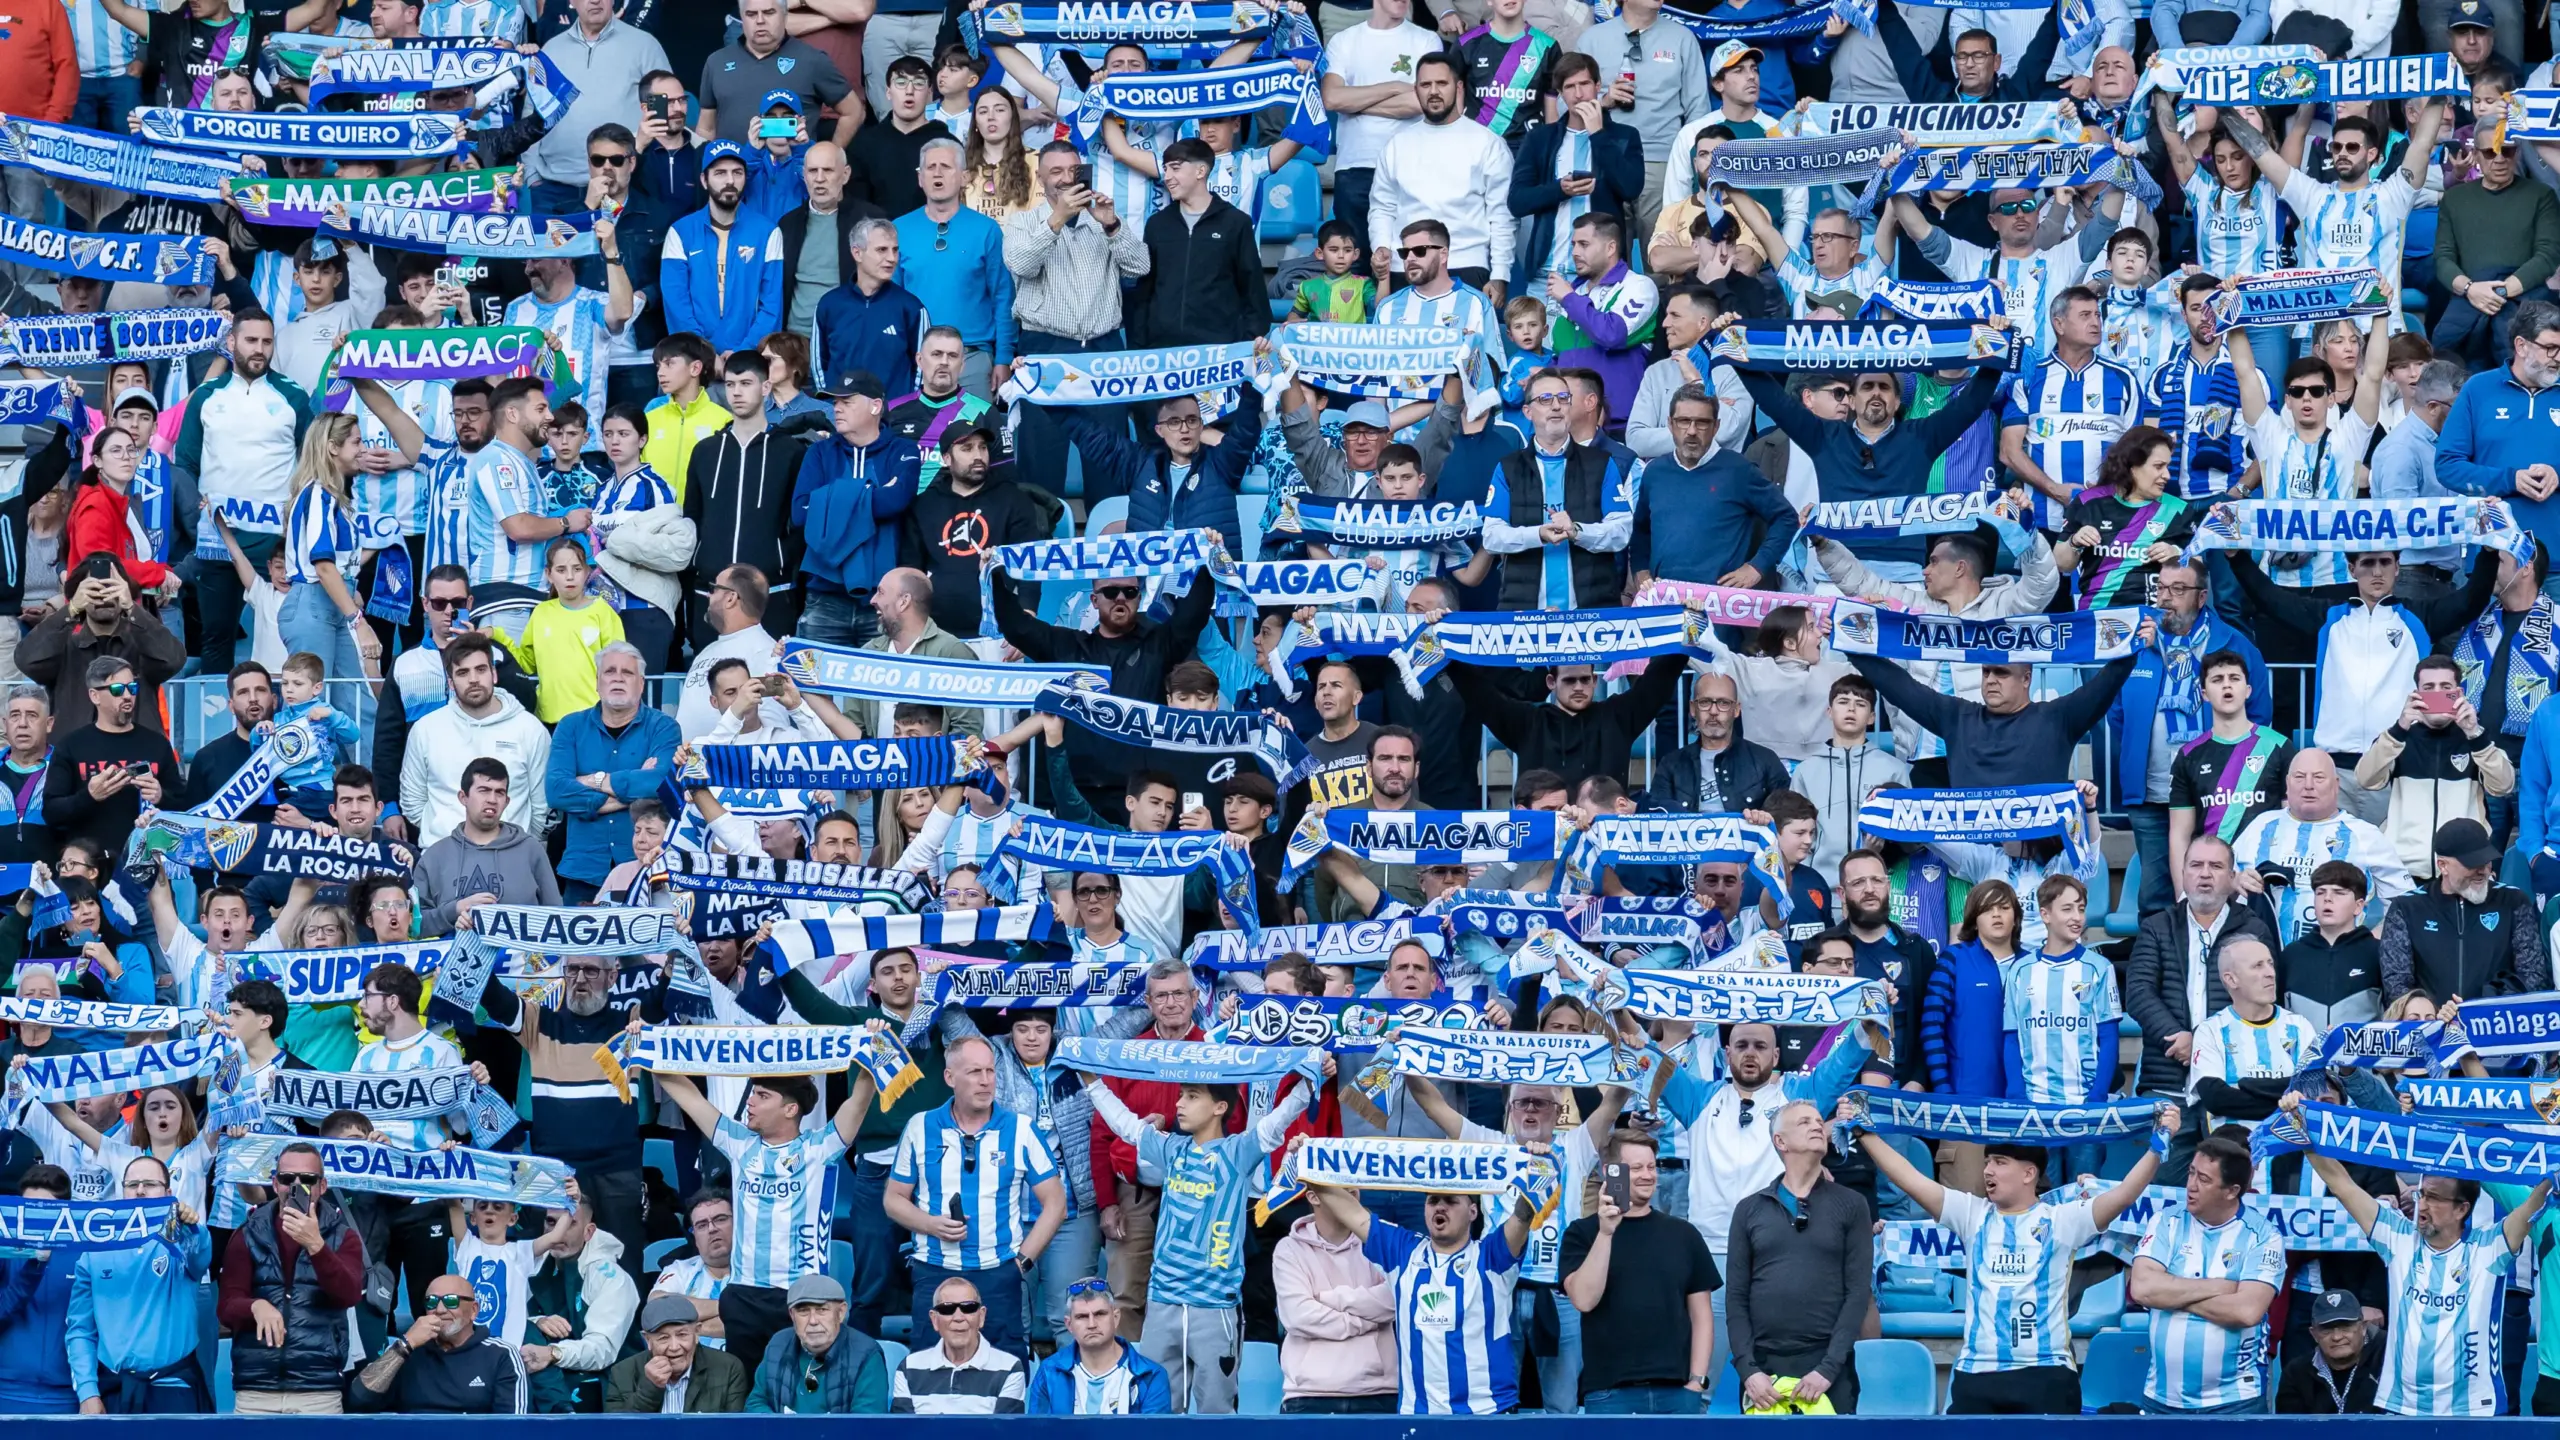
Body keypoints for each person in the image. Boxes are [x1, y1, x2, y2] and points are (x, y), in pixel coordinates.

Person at [1852, 1102, 2181, 1414]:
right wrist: (1864, 1133)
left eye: (1999, 1162)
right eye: (1987, 1162)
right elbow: (1910, 1179)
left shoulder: (2062, 1220)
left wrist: (2157, 1147)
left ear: (2028, 1173)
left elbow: (2124, 1195)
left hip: (2045, 1374)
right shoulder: (1971, 1214)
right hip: (1977, 1375)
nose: (1988, 1170)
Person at [2278, 1090, 2550, 1417]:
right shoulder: (2398, 1237)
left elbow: (2536, 1202)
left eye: (2434, 1198)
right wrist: (2304, 1129)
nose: (2423, 1205)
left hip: (2472, 1409)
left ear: (2462, 1209)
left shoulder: (2490, 1247)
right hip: (2404, 1407)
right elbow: (2342, 1185)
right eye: (2421, 1195)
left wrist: (2552, 1172)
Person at [1080, 1062, 1312, 1412]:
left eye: (1191, 1096)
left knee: (1216, 1416)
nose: (1178, 1104)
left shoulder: (1239, 1151)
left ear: (1220, 1107)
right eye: (1180, 1095)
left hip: (1216, 1306)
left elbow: (1281, 1117)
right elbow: (1125, 1124)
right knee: (1155, 1413)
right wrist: (1091, 1081)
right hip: (1163, 1303)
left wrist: (1310, 1080)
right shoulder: (1171, 1148)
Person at [884, 1034, 1066, 1360]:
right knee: (930, 1370)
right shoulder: (920, 1127)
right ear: (949, 1077)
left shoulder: (1021, 1129)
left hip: (999, 1273)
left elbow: (1056, 1203)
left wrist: (1022, 1263)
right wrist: (931, 1225)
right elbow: (893, 1199)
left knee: (1006, 1372)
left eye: (990, 1071)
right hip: (934, 1270)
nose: (985, 1081)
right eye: (974, 1072)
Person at [1304, 1166, 1534, 1416]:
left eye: (1450, 1200)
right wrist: (1307, 1164)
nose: (1440, 1207)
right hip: (1419, 1417)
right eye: (1432, 1200)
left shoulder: (1491, 1257)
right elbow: (1351, 1212)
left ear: (1472, 1211)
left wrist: (1537, 1169)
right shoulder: (1403, 1251)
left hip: (1488, 1414)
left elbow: (1522, 1217)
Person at [173, 310, 315, 672]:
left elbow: (312, 463)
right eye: (251, 340)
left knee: (288, 634)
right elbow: (185, 465)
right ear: (232, 342)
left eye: (267, 342)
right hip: (218, 539)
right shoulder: (205, 396)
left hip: (276, 539)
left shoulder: (294, 395)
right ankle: (218, 708)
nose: (260, 350)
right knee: (217, 637)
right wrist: (196, 516)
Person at [1723, 1099, 1871, 1415]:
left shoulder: (1852, 1204)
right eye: (1804, 1122)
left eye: (1818, 1121)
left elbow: (1858, 1292)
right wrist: (1748, 1370)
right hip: (1763, 1373)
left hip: (1828, 1369)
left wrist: (1828, 1369)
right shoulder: (1749, 1210)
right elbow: (1735, 1297)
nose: (1817, 1126)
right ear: (1781, 1141)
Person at [1559, 1127, 1720, 1412]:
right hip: (1609, 1394)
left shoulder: (1684, 1234)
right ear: (1610, 1173)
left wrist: (1697, 1381)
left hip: (1677, 1392)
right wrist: (1606, 1233)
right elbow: (1583, 1300)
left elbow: (1702, 1315)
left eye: (1651, 1166)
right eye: (1636, 1168)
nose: (1647, 1175)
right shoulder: (1581, 1233)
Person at [2126, 1133, 2286, 1414]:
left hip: (2235, 1402)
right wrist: (2220, 1287)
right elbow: (2141, 1289)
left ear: (2231, 1191)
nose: (2191, 1185)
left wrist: (2170, 1296)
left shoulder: (2264, 1236)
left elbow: (2245, 1311)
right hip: (2162, 1398)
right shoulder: (2165, 1221)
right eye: (2191, 1173)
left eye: (2204, 1179)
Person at [219, 1141, 367, 1414]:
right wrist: (255, 1306)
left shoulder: (343, 1236)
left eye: (308, 1179)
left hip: (317, 1388)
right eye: (288, 1179)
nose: (297, 1186)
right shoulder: (248, 1233)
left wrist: (316, 1246)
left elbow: (349, 1295)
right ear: (275, 1184)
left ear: (322, 1186)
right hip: (257, 1388)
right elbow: (226, 1307)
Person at [66, 1154, 211, 1414]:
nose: (140, 1191)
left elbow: (200, 1256)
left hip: (173, 1388)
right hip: (115, 1390)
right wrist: (87, 1392)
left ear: (168, 1193)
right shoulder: (95, 1250)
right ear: (122, 1192)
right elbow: (80, 1329)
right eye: (132, 1185)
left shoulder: (183, 1240)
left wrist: (191, 1226)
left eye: (150, 1184)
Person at [790, 370, 921, 649]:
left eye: (847, 402)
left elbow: (896, 501)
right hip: (825, 595)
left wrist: (829, 501)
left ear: (875, 406)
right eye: (835, 402)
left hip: (885, 599)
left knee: (881, 678)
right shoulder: (819, 452)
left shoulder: (903, 450)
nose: (836, 408)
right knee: (814, 675)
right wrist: (872, 494)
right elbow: (801, 513)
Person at [1368, 53, 1515, 297]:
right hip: (1405, 266)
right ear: (1416, 90)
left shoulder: (1488, 143)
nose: (1434, 91)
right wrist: (1381, 247)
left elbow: (1501, 214)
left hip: (1466, 264)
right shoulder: (1396, 144)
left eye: (1442, 83)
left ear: (1459, 88)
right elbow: (1382, 207)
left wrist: (1500, 273)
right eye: (1426, 84)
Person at [2233, 749, 2417, 942]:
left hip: (2337, 957)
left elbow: (2406, 903)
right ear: (2287, 783)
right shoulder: (2260, 825)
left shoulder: (2365, 834)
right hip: (2259, 954)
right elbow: (2221, 881)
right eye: (2299, 777)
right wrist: (2234, 883)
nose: (2308, 785)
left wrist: (2371, 941)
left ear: (2336, 784)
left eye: (2319, 777)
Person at [548, 642, 681, 902]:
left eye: (627, 672)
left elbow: (661, 783)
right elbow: (556, 791)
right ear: (597, 683)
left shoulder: (664, 727)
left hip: (647, 869)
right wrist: (636, 787)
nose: (618, 678)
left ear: (641, 684)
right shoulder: (570, 726)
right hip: (583, 870)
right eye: (609, 671)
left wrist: (593, 781)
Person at [2356, 658, 2517, 869]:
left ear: (2459, 693)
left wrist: (2474, 734)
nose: (2437, 694)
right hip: (2404, 868)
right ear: (2416, 694)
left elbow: (2503, 785)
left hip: (2463, 867)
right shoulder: (2396, 739)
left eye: (2445, 687)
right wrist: (2400, 728)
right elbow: (2366, 779)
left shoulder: (2476, 739)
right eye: (2429, 688)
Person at [399, 633, 554, 847]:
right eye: (463, 672)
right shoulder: (425, 729)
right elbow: (412, 803)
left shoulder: (530, 729)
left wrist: (516, 849)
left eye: (481, 669)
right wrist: (442, 837)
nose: (473, 679)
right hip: (443, 856)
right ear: (451, 683)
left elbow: (543, 806)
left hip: (510, 856)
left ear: (494, 674)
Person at [2379, 818, 2549, 1001]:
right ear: (2443, 865)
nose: (2483, 870)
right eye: (2472, 864)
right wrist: (2428, 1010)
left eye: (2486, 861)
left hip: (2494, 1016)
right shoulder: (2407, 908)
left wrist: (2487, 1005)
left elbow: (2533, 974)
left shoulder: (2513, 901)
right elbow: (2396, 982)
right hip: (2431, 1017)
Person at [1321, 0, 1439, 259]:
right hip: (1355, 166)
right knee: (1355, 267)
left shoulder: (1427, 40)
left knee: (1408, 264)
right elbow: (1332, 98)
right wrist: (1395, 86)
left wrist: (1355, 104)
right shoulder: (1344, 40)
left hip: (1410, 166)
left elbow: (1421, 102)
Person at [17, 555, 185, 737]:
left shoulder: (143, 645)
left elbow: (173, 660)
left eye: (112, 587)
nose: (103, 596)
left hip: (135, 749)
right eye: (93, 589)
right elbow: (27, 660)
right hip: (75, 752)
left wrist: (131, 608)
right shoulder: (62, 647)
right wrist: (71, 610)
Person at [41, 656, 176, 856]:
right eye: (117, 689)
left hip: (146, 860)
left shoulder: (157, 744)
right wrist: (89, 796)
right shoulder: (71, 745)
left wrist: (161, 797)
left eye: (132, 688)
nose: (127, 696)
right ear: (95, 696)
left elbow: (184, 804)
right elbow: (51, 812)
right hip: (91, 865)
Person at [351, 1272, 529, 1414]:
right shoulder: (406, 1351)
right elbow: (358, 1399)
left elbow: (513, 1427)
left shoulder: (501, 1355)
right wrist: (406, 1345)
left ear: (473, 1310)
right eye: (432, 1302)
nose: (440, 1310)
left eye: (451, 1301)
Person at [745, 1273, 890, 1414]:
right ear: (792, 1315)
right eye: (803, 1311)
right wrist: (783, 1427)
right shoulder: (778, 1345)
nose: (813, 1321)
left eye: (822, 1310)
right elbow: (755, 1403)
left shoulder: (866, 1354)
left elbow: (866, 1422)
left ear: (841, 1312)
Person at [1025, 1279, 1174, 1414]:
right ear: (1069, 1325)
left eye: (1100, 1314)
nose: (1092, 1324)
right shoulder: (1049, 1372)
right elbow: (1038, 1431)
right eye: (1082, 1317)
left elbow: (1153, 1433)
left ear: (1116, 1318)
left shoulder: (1151, 1376)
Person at [891, 1275, 1030, 1413]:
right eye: (947, 1309)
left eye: (968, 1308)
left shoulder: (1010, 1367)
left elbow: (1003, 1428)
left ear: (981, 1316)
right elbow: (903, 1427)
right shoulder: (908, 1367)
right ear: (934, 1319)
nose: (958, 1318)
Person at [606, 1294, 752, 1413]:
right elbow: (616, 1431)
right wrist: (650, 1387)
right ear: (647, 1339)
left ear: (697, 1332)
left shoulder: (728, 1368)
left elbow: (733, 1429)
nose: (674, 1347)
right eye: (663, 1338)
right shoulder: (622, 1372)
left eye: (682, 1335)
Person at [2275, 1287, 2383, 1414]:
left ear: (2363, 1327)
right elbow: (2289, 1425)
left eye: (2345, 1327)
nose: (2336, 1337)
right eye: (2327, 1329)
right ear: (2314, 1334)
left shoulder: (2387, 1360)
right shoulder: (2296, 1373)